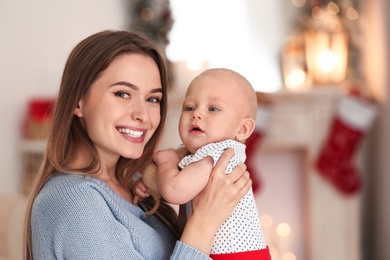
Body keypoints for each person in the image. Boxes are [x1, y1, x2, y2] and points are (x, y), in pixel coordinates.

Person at [23, 30, 252, 260]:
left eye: (153, 99)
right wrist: (204, 221)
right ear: (78, 101)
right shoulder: (73, 202)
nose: (143, 115)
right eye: (123, 94)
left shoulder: (135, 187)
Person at [143, 68, 271, 259]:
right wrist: (149, 186)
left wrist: (167, 162)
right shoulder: (200, 155)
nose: (196, 114)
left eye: (213, 109)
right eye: (189, 107)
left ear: (243, 129)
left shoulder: (218, 155)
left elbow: (174, 190)